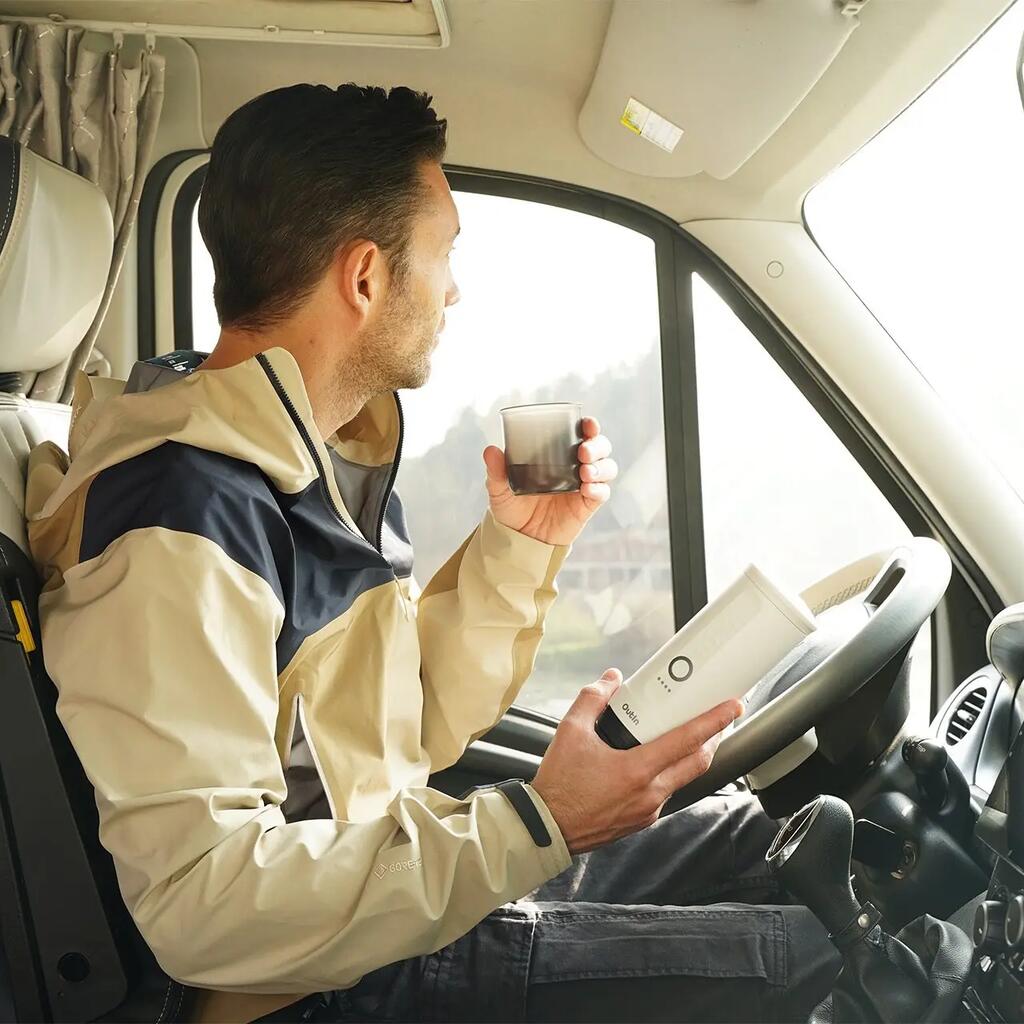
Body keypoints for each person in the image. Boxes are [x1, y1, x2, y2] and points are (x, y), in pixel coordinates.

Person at [26, 84, 838, 1023]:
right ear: (366, 277)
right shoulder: (179, 515)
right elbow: (203, 903)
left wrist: (519, 547)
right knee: (809, 960)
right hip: (307, 988)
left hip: (379, 894)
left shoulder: (303, 456)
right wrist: (538, 823)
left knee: (764, 838)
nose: (454, 289)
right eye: (444, 252)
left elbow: (401, 731)